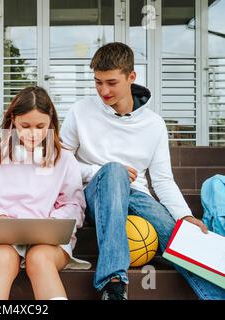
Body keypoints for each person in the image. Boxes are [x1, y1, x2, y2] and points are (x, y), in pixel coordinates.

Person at [60, 42, 225, 300]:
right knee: (114, 172)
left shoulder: (154, 124)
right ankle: (113, 283)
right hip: (93, 197)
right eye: (98, 82)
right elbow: (62, 161)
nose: (103, 90)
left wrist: (184, 216)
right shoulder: (80, 111)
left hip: (137, 197)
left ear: (131, 77)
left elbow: (162, 180)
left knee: (182, 239)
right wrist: (99, 171)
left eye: (111, 82)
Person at [0, 86, 91, 300]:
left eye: (40, 126)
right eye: (25, 126)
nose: (33, 134)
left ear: (51, 123)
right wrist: (0, 218)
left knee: (40, 258)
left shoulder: (64, 158)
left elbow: (74, 205)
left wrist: (52, 222)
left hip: (50, 241)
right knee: (3, 259)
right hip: (2, 240)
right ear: (13, 120)